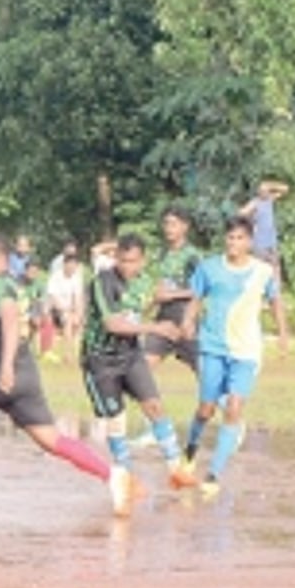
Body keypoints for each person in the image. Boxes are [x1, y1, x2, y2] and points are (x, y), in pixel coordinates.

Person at [0, 235, 130, 515]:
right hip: (25, 374)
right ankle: (112, 475)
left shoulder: (0, 286)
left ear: (1, 259)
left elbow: (9, 319)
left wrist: (5, 366)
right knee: (51, 440)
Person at [80, 234, 198, 494]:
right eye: (122, 260)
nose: (127, 266)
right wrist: (154, 327)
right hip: (100, 360)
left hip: (130, 354)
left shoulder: (144, 280)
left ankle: (176, 470)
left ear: (142, 261)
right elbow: (113, 324)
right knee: (117, 421)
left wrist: (187, 298)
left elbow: (150, 300)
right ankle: (127, 478)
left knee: (154, 405)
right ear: (116, 258)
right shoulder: (103, 282)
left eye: (133, 261)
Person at [179, 216, 289, 495]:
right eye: (230, 237)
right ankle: (190, 450)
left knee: (234, 408)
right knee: (206, 409)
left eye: (240, 238)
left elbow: (276, 301)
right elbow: (196, 299)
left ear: (249, 242)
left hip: (246, 351)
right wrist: (188, 321)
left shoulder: (263, 272)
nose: (234, 243)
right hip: (213, 347)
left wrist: (283, 334)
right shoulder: (209, 268)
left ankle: (213, 474)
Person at [144, 207, 203, 374]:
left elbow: (200, 288)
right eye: (166, 224)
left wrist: (171, 295)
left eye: (173, 224)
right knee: (144, 367)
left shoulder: (192, 256)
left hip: (185, 316)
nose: (168, 228)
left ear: (185, 227)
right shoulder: (160, 254)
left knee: (204, 372)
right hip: (163, 318)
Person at [240, 179, 290, 279]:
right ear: (258, 192)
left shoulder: (270, 199)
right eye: (262, 191)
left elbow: (285, 189)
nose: (264, 193)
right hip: (259, 242)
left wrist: (271, 185)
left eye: (266, 191)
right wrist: (250, 220)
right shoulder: (255, 202)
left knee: (275, 265)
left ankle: (276, 287)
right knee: (259, 268)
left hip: (271, 240)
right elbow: (241, 213)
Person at [46, 254, 85, 363]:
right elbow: (53, 298)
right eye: (70, 264)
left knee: (77, 322)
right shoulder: (56, 277)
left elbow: (78, 298)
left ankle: (77, 353)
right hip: (55, 309)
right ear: (64, 264)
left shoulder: (76, 278)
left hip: (70, 309)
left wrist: (79, 314)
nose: (72, 267)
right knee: (68, 321)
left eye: (74, 265)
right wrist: (65, 310)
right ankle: (67, 354)